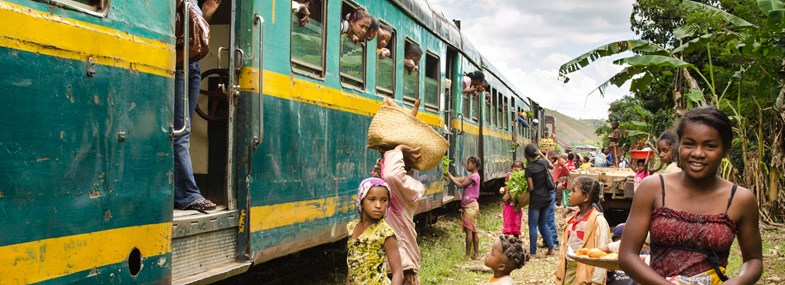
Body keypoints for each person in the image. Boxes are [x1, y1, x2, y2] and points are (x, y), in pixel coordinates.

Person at [619, 106, 763, 284]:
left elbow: (754, 260)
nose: (698, 153)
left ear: (725, 150)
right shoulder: (653, 188)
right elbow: (627, 255)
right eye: (689, 144)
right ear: (678, 145)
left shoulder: (740, 199)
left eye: (710, 146)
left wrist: (738, 281)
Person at [173, 0, 220, 212]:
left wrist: (206, 14)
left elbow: (191, 25)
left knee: (184, 129)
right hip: (179, 58)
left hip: (193, 62)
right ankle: (188, 194)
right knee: (180, 131)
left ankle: (181, 191)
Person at [380, 144, 425, 285]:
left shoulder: (411, 187)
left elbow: (392, 175)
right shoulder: (390, 190)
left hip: (402, 263)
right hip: (387, 264)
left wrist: (398, 149)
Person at [346, 178, 403, 285]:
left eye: (384, 200)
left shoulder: (385, 233)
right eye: (372, 199)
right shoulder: (352, 227)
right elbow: (352, 266)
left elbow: (398, 273)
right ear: (361, 201)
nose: (378, 205)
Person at [555, 176, 610, 285]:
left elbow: (602, 255)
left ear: (585, 197)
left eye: (573, 191)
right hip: (568, 272)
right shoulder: (571, 220)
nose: (569, 194)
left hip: (586, 275)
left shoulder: (598, 221)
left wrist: (597, 281)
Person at [444, 156, 481, 260]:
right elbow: (460, 179)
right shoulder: (473, 176)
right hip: (472, 206)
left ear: (474, 164)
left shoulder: (474, 177)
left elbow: (460, 185)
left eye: (468, 163)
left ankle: (468, 255)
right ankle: (476, 254)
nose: (466, 165)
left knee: (469, 231)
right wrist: (449, 177)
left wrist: (449, 175)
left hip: (470, 206)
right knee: (473, 230)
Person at [523, 144, 555, 257]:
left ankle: (533, 252)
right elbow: (551, 166)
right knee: (543, 223)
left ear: (526, 155)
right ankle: (551, 248)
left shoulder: (529, 168)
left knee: (533, 225)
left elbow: (531, 188)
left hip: (536, 200)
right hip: (547, 198)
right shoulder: (543, 163)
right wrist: (542, 155)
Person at [499, 161, 525, 236]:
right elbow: (508, 187)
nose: (516, 168)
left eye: (518, 167)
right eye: (514, 167)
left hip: (517, 203)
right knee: (508, 220)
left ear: (522, 169)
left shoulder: (523, 178)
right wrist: (504, 190)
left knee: (516, 220)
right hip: (508, 202)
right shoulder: (509, 175)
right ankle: (507, 235)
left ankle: (516, 236)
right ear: (512, 168)